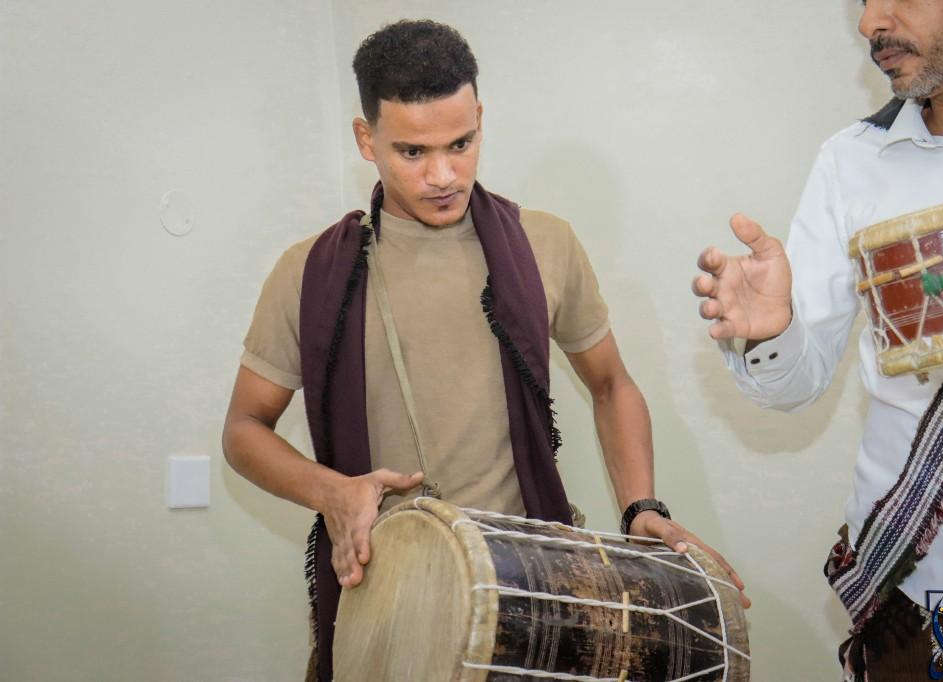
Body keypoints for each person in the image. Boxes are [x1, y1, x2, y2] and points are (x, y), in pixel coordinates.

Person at [223, 19, 747, 682]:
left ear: (479, 120)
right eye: (412, 152)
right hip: (386, 607)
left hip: (537, 597)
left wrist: (641, 506)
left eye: (461, 144)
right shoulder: (309, 273)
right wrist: (332, 493)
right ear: (366, 140)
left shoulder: (545, 244)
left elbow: (612, 385)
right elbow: (244, 429)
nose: (443, 175)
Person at [693, 1, 943, 678]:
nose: (871, 21)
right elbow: (795, 382)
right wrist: (772, 332)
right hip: (918, 592)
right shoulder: (852, 162)